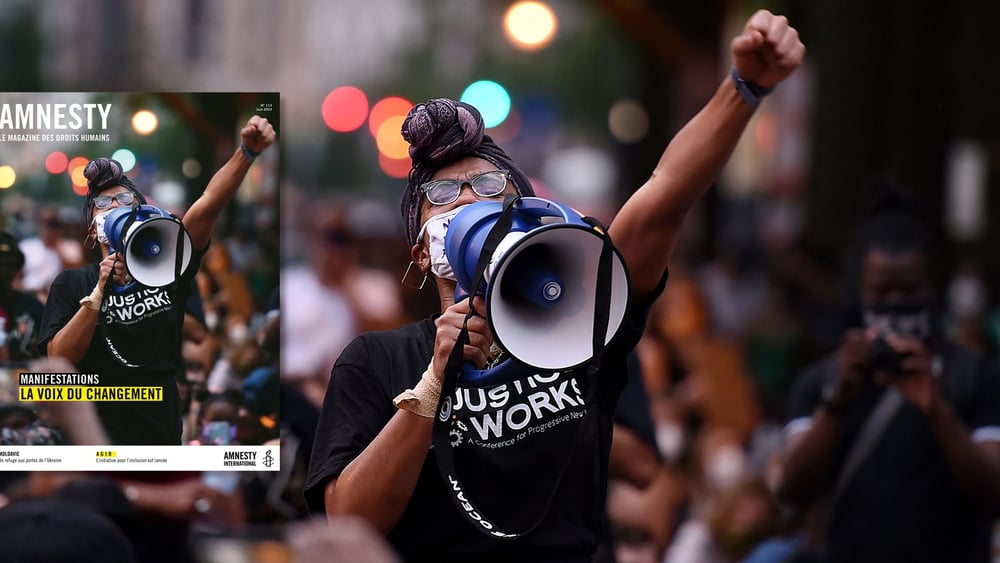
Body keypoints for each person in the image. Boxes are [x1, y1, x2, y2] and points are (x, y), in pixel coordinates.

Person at [305, 10, 803, 561]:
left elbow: (663, 198)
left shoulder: (577, 320)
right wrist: (431, 385)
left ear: (520, 214)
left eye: (488, 184)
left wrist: (744, 88)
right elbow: (349, 518)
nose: (468, 198)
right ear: (422, 251)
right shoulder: (374, 362)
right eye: (441, 195)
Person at [773, 188, 1000, 563]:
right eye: (882, 291)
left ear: (931, 286)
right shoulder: (825, 379)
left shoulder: (975, 374)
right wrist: (837, 403)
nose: (895, 304)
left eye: (909, 290)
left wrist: (938, 410)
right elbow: (790, 490)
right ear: (859, 292)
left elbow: (994, 490)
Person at [38, 115, 276, 445]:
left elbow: (207, 206)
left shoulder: (166, 265)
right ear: (92, 229)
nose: (115, 205)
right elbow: (59, 358)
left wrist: (246, 152)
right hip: (93, 436)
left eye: (125, 200)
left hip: (158, 433)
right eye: (103, 203)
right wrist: (98, 293)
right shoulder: (71, 283)